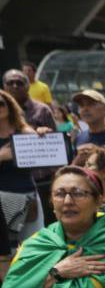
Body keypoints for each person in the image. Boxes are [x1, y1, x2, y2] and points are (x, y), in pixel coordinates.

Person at [0, 89, 44, 243]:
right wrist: (1, 157)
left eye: (1, 103)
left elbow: (43, 156)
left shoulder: (25, 132)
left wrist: (43, 136)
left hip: (27, 196)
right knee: (6, 249)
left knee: (34, 244)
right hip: (1, 201)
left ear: (10, 106)